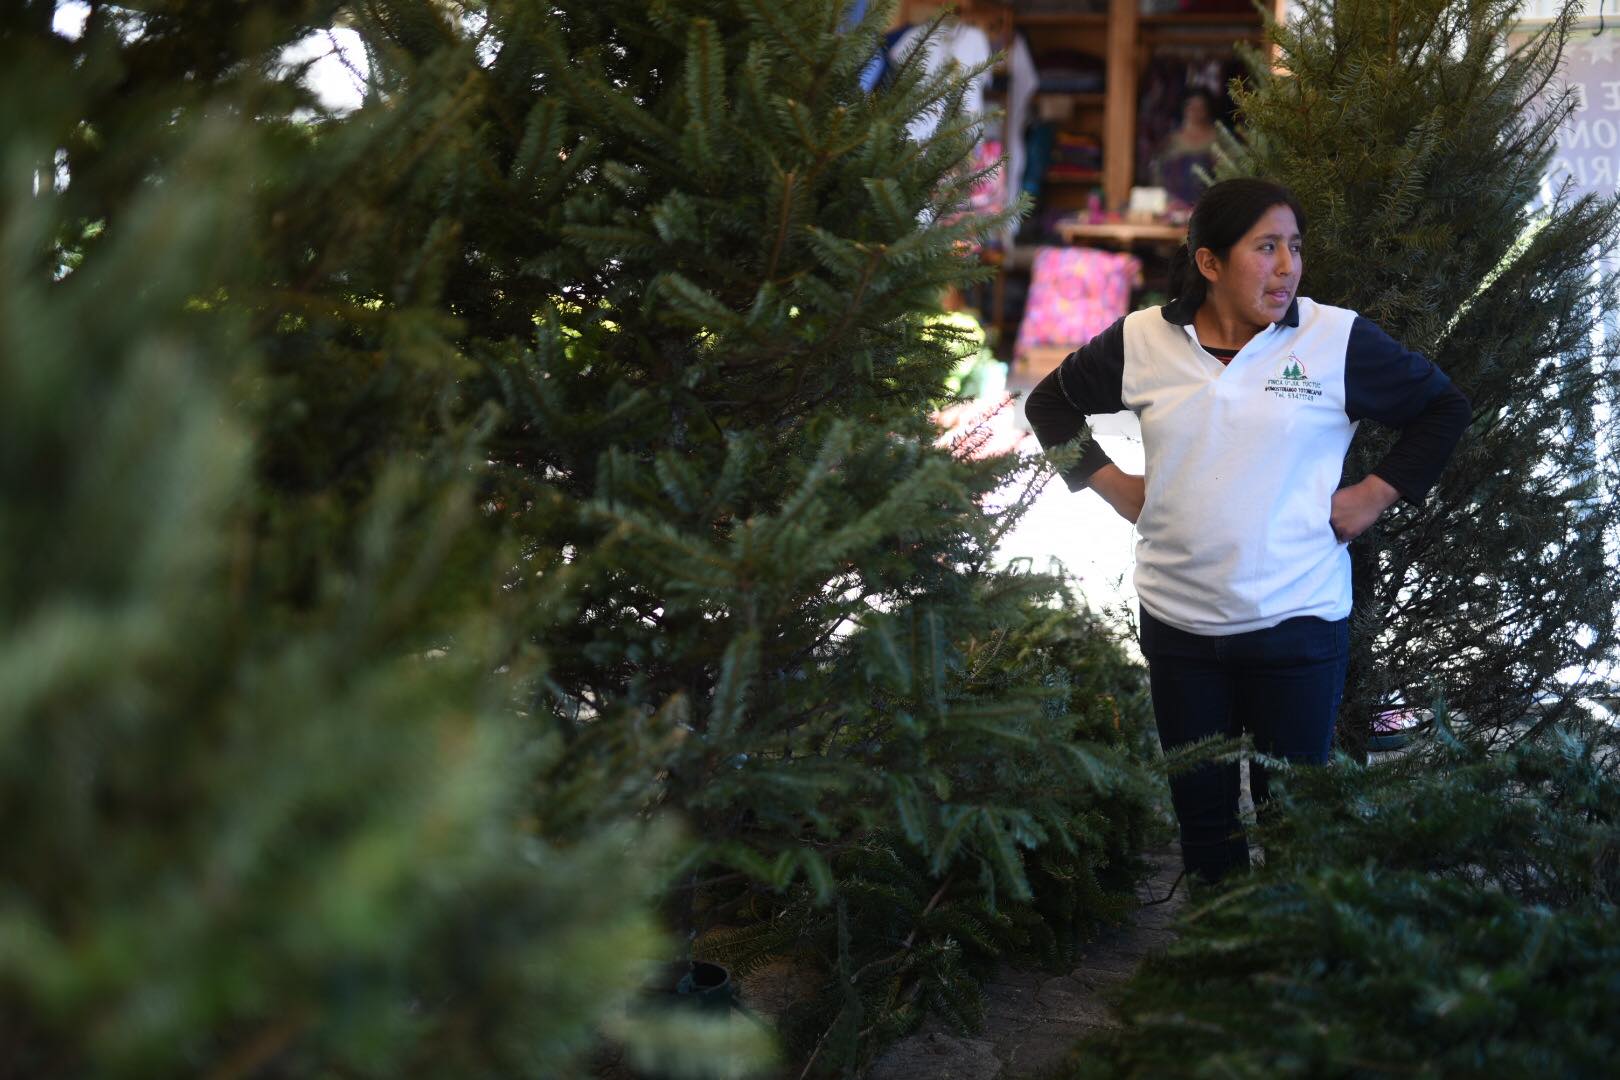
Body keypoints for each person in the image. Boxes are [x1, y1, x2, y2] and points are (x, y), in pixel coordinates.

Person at [1023, 178, 1472, 889]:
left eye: (1294, 248)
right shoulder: (1145, 341)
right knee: (1204, 824)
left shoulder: (1334, 339)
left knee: (1291, 821)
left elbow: (1443, 408)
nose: (1287, 266)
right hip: (1179, 624)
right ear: (1209, 262)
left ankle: (1283, 981)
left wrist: (1374, 495)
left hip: (1296, 623)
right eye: (1266, 248)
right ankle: (1211, 968)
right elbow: (1049, 405)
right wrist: (1114, 488)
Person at [1150, 88, 1219, 209]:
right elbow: (1158, 171)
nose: (1196, 111)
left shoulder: (1216, 138)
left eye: (1200, 107)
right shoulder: (1172, 140)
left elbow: (1226, 171)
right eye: (1191, 106)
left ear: (1207, 109)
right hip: (1175, 204)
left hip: (1207, 204)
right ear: (1184, 109)